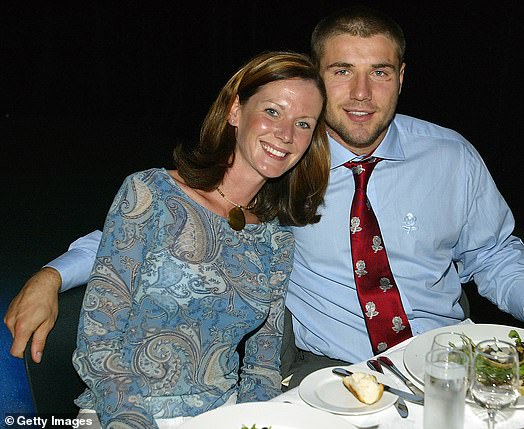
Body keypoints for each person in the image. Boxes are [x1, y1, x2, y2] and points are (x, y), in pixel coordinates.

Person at [5, 6, 524, 388]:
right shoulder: (284, 165)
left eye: (380, 72)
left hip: (446, 360)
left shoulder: (452, 157)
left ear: (403, 76)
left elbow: (493, 252)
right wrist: (52, 274)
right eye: (341, 71)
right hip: (331, 374)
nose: (361, 94)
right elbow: (166, 217)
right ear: (315, 75)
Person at [65, 50, 329, 428]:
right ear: (235, 112)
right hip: (121, 409)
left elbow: (262, 367)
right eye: (272, 112)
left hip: (223, 414)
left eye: (303, 124)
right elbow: (98, 343)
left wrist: (254, 421)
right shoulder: (150, 193)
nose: (286, 135)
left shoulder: (276, 239)